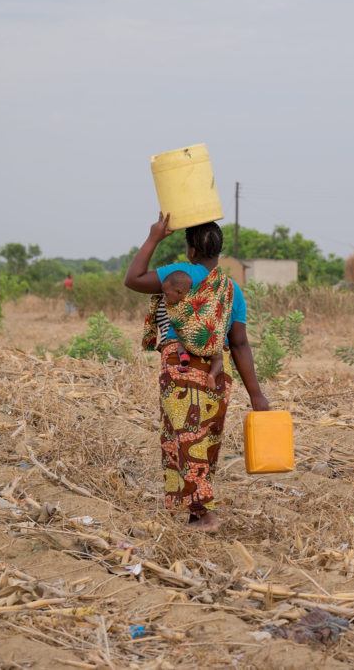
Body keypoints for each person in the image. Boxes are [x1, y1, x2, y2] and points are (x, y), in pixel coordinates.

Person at [125, 213, 269, 533]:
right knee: (203, 442)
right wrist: (256, 394)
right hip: (218, 374)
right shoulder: (231, 290)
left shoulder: (179, 274)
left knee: (185, 440)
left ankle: (204, 515)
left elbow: (133, 279)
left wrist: (153, 238)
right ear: (219, 252)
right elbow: (240, 343)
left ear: (191, 250)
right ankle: (196, 512)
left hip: (183, 369)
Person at [159, 270, 225, 389]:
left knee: (181, 341)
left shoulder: (177, 307)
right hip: (210, 343)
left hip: (191, 343)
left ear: (179, 292)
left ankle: (184, 358)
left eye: (166, 294)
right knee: (218, 358)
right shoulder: (199, 300)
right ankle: (213, 375)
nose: (164, 297)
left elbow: (176, 324)